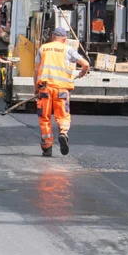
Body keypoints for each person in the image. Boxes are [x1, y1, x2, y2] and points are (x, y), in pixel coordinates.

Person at [34, 26, 89, 157]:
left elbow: (36, 70)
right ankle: (63, 133)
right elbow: (86, 64)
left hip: (45, 88)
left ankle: (47, 147)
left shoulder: (43, 48)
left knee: (44, 117)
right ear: (64, 39)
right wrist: (82, 73)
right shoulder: (68, 49)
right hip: (62, 89)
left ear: (53, 36)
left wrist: (35, 88)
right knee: (62, 116)